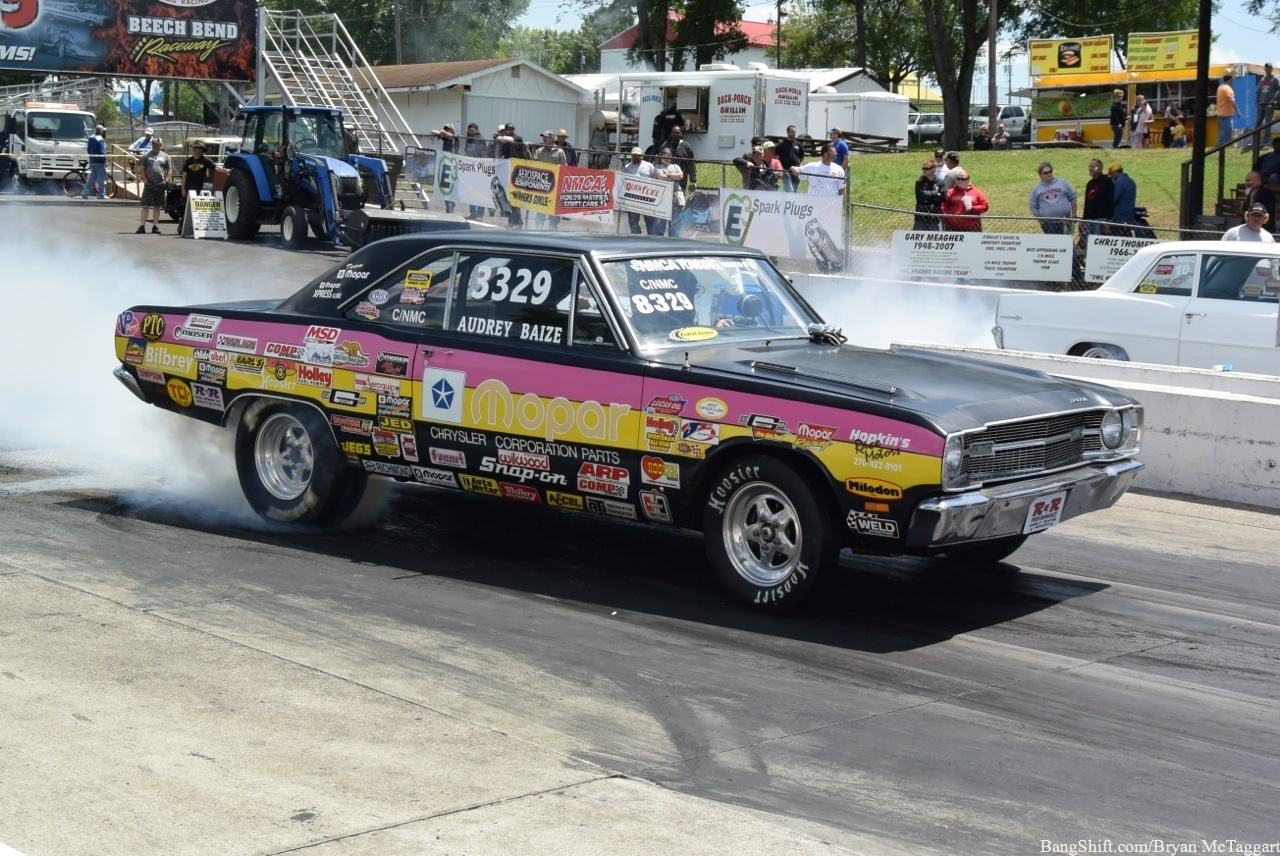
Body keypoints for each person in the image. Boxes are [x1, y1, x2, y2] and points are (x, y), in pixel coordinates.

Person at [531, 131, 567, 231]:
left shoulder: (559, 152)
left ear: (552, 138)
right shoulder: (539, 151)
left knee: (555, 206)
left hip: (555, 184)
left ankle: (553, 226)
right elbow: (533, 164)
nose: (544, 139)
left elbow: (564, 166)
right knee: (541, 205)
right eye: (543, 137)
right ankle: (539, 226)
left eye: (546, 137)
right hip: (542, 184)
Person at [1028, 161, 1077, 234]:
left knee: (1067, 243)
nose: (1048, 174)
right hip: (1048, 224)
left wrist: (1073, 215)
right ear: (1040, 175)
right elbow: (1033, 206)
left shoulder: (1062, 183)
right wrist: (1041, 221)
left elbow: (1073, 197)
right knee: (1052, 245)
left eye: (1050, 171)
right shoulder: (1036, 189)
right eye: (1045, 173)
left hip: (1065, 221)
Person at [136, 137, 171, 235]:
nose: (155, 146)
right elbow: (142, 169)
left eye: (157, 144)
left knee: (157, 206)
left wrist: (166, 180)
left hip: (160, 184)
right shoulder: (146, 156)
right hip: (149, 184)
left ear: (160, 145)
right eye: (154, 144)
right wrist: (145, 180)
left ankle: (155, 226)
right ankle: (142, 226)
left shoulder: (166, 156)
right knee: (145, 206)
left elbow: (169, 170)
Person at [495, 123, 526, 228]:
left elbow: (513, 140)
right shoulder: (504, 141)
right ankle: (511, 220)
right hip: (506, 171)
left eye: (512, 129)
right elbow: (498, 155)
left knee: (514, 198)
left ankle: (518, 221)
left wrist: (501, 138)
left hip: (516, 172)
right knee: (504, 197)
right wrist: (499, 143)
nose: (510, 131)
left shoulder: (518, 138)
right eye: (508, 129)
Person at [621, 146, 657, 235]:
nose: (636, 157)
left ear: (642, 156)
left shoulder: (649, 166)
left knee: (650, 221)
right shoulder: (627, 167)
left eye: (638, 155)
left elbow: (654, 177)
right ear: (631, 156)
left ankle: (651, 238)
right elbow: (624, 180)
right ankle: (636, 238)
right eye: (634, 155)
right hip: (633, 199)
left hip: (647, 199)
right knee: (633, 221)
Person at [654, 147, 685, 236]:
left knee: (675, 220)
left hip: (675, 196)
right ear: (661, 157)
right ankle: (661, 239)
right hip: (663, 197)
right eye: (665, 156)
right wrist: (673, 176)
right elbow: (661, 177)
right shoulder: (658, 167)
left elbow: (680, 176)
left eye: (669, 156)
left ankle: (674, 239)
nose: (667, 159)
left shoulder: (675, 166)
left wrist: (669, 174)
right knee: (661, 221)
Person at [1081, 158, 1114, 236]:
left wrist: (1109, 220)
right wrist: (1084, 220)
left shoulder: (1107, 181)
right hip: (1089, 220)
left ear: (1100, 168)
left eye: (1093, 167)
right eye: (1090, 166)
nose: (1090, 169)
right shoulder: (1090, 183)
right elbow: (1087, 202)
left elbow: (1110, 201)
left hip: (1101, 219)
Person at [463, 123, 488, 220]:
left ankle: (480, 215)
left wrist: (481, 166)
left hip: (479, 169)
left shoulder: (480, 139)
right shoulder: (468, 140)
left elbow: (484, 154)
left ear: (477, 130)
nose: (471, 132)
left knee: (480, 192)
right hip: (470, 169)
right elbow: (466, 152)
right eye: (470, 131)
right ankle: (473, 213)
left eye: (473, 131)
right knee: (471, 191)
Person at [662, 126, 696, 196]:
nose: (675, 134)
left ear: (681, 134)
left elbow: (691, 164)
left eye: (678, 133)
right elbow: (659, 160)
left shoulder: (686, 147)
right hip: (666, 180)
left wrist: (693, 181)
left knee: (680, 202)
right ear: (671, 134)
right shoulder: (666, 145)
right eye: (674, 133)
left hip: (681, 182)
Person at [913, 159, 944, 231]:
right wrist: (936, 193)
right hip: (920, 218)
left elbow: (943, 197)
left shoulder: (940, 182)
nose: (924, 170)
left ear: (934, 169)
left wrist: (927, 195)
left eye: (926, 168)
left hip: (934, 217)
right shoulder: (919, 182)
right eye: (923, 168)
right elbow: (920, 197)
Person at [79, 124, 108, 199]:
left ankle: (84, 192)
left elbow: (88, 149)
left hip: (92, 160)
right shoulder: (100, 139)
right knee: (101, 179)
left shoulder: (91, 138)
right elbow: (102, 152)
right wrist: (105, 160)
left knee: (92, 178)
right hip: (99, 161)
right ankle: (101, 194)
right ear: (101, 131)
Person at [1108, 161, 1138, 229]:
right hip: (1129, 216)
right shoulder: (1131, 181)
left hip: (1119, 217)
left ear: (1115, 172)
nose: (1111, 177)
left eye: (1111, 174)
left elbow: (1113, 199)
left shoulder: (1119, 182)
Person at [775, 125, 805, 191]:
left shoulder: (798, 144)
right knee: (789, 190)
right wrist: (782, 169)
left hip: (796, 172)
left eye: (795, 132)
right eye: (792, 132)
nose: (794, 133)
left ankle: (793, 201)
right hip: (786, 172)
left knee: (795, 190)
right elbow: (777, 159)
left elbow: (802, 159)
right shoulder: (781, 144)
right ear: (788, 132)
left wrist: (799, 168)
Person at [1217, 72, 1238, 148]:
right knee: (1225, 133)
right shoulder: (1228, 89)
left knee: (1223, 132)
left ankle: (1221, 147)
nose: (1232, 82)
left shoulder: (1220, 88)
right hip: (1226, 114)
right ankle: (1222, 148)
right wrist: (1238, 110)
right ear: (1229, 80)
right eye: (1231, 80)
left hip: (1220, 113)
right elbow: (1231, 100)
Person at [1258, 63, 1279, 134]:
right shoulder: (1262, 79)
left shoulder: (1275, 79)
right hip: (1261, 104)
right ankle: (1255, 142)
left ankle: (1266, 142)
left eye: (1269, 68)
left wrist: (1274, 99)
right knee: (1257, 124)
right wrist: (1257, 101)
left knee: (1268, 124)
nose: (1267, 70)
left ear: (1272, 69)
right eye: (1266, 68)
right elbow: (1258, 90)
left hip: (1269, 105)